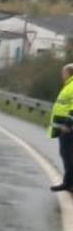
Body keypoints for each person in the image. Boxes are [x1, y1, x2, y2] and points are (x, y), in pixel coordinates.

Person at [50, 63, 73, 192]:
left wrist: (67, 124)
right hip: (65, 128)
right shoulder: (68, 86)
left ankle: (68, 183)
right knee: (66, 154)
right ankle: (68, 182)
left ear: (69, 73)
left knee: (68, 155)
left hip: (68, 129)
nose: (62, 75)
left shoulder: (72, 86)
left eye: (63, 73)